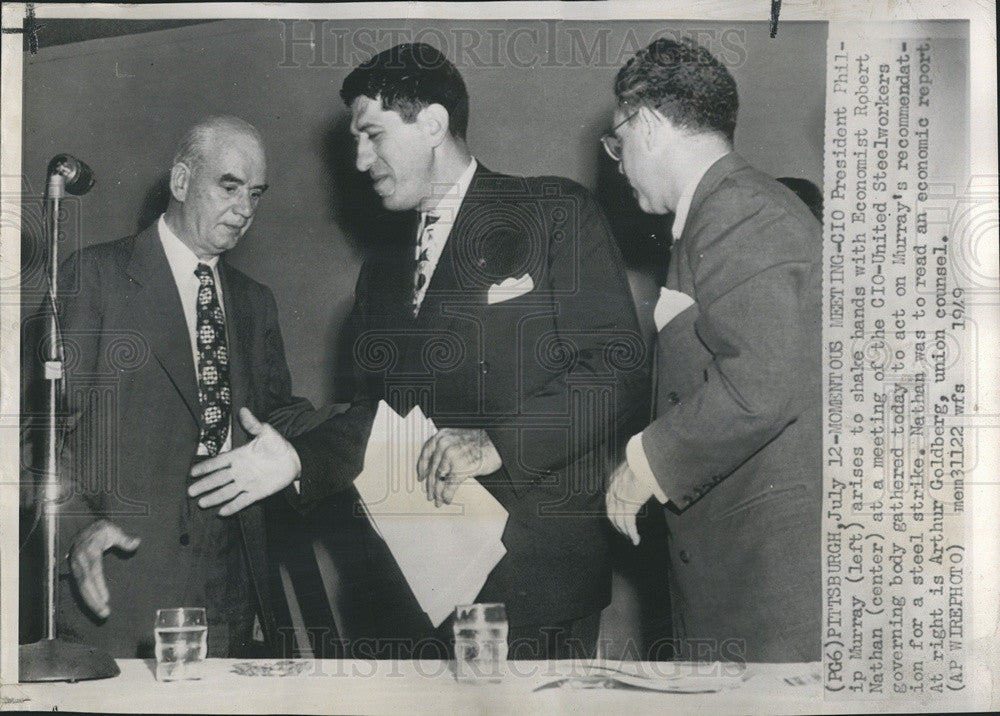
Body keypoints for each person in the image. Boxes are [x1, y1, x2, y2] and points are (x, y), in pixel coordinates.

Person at [189, 43, 648, 659]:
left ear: (432, 124)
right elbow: (378, 421)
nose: (359, 159)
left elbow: (614, 375)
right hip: (412, 594)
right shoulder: (379, 274)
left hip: (534, 591)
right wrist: (299, 460)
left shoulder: (553, 212)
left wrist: (497, 444)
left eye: (373, 134)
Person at [21, 116, 321, 658]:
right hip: (119, 597)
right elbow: (31, 436)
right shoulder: (94, 277)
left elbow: (278, 421)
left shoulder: (256, 303)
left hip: (232, 600)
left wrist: (362, 432)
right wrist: (75, 531)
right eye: (229, 187)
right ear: (181, 182)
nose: (246, 208)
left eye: (256, 193)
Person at [602, 38, 822, 662]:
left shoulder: (739, 211)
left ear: (645, 123)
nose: (618, 164)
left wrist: (646, 463)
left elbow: (762, 382)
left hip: (769, 594)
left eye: (619, 143)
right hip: (747, 578)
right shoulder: (724, 212)